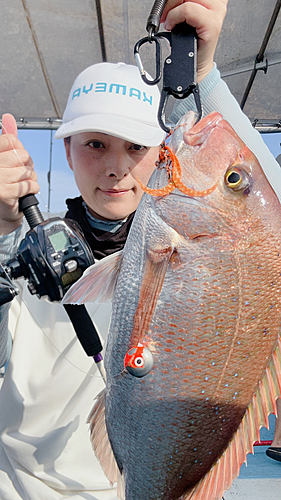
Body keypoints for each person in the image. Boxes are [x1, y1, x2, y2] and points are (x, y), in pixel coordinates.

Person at [0, 1, 280, 499]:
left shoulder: (188, 240)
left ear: (162, 152)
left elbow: (263, 222)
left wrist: (206, 75)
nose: (116, 167)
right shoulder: (20, 248)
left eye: (135, 147)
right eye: (94, 145)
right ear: (67, 150)